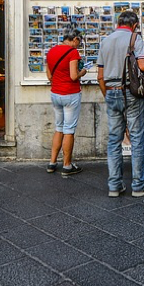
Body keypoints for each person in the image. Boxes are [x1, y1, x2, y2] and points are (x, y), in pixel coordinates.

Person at [96, 10, 144, 197]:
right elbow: (143, 66)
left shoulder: (105, 41)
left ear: (118, 23)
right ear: (135, 25)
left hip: (112, 92)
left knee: (114, 140)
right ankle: (139, 185)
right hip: (130, 93)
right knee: (137, 138)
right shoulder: (134, 38)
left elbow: (100, 76)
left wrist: (109, 95)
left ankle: (115, 185)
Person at [45, 26, 89, 177]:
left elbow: (49, 76)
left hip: (55, 93)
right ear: (75, 39)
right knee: (69, 130)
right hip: (70, 94)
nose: (78, 45)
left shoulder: (51, 51)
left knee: (59, 127)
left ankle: (52, 163)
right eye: (79, 42)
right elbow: (73, 76)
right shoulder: (73, 52)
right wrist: (82, 72)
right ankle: (67, 165)